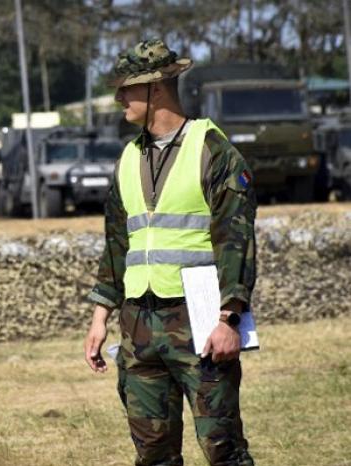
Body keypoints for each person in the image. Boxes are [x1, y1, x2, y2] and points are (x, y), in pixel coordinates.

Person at [83, 39, 257, 466]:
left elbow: (236, 240)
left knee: (223, 448)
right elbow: (117, 242)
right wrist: (100, 315)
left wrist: (229, 318)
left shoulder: (213, 149)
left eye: (127, 88)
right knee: (153, 452)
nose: (119, 97)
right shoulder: (127, 157)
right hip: (139, 326)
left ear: (155, 88)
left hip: (198, 324)